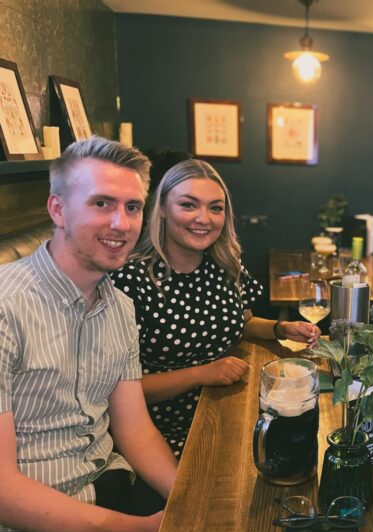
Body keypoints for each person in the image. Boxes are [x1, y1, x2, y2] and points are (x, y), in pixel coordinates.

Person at [0, 136, 178, 532]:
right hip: (28, 522)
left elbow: (134, 430)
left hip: (110, 487)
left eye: (132, 207)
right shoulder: (6, 304)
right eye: (102, 203)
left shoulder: (119, 307)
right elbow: (3, 491)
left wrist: (187, 498)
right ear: (57, 209)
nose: (121, 224)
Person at [112, 159, 319, 458]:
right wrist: (201, 373)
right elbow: (120, 390)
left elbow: (242, 322)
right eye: (188, 205)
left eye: (215, 208)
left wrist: (280, 328)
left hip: (231, 408)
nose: (204, 218)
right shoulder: (130, 279)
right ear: (162, 211)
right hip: (167, 431)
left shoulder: (223, 264)